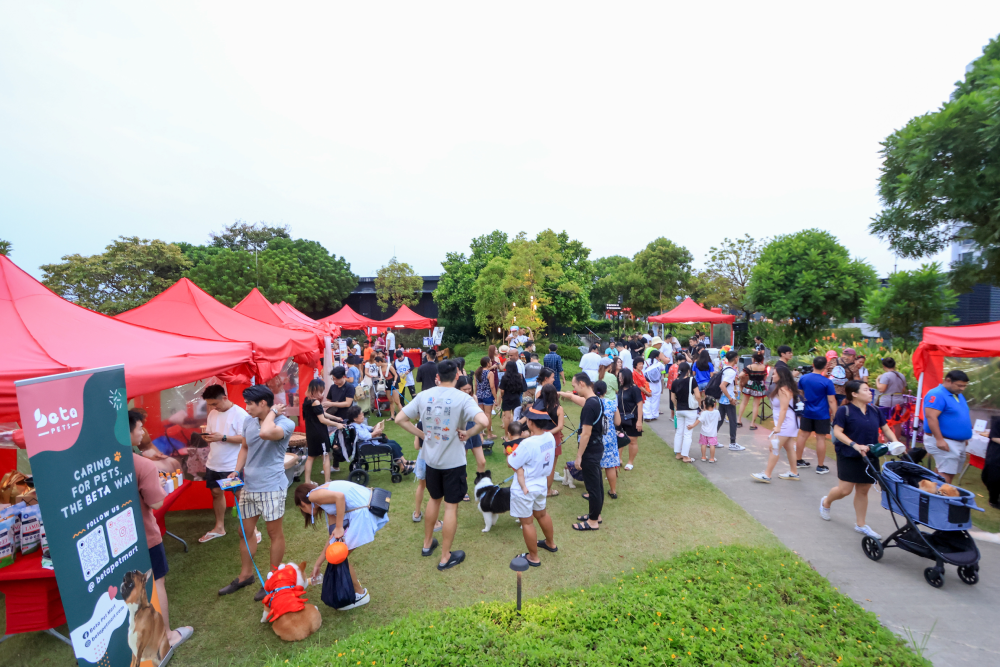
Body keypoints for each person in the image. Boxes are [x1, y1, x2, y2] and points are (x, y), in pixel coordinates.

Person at [395, 360, 489, 570]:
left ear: (438, 375)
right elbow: (484, 421)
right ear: (457, 374)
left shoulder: (424, 395)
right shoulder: (463, 398)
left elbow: (399, 418)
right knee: (451, 506)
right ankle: (445, 556)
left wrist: (421, 434)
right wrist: (469, 433)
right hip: (453, 462)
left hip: (432, 461)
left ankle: (428, 544)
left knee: (434, 500)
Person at [219, 386, 296, 602]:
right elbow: (244, 447)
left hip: (272, 486)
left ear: (263, 403)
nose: (246, 408)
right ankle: (246, 575)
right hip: (249, 486)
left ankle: (272, 578)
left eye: (249, 403)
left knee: (274, 533)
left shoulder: (285, 424)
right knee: (244, 531)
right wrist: (236, 469)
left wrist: (272, 413)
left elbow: (265, 433)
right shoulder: (248, 422)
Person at [129, 411, 194, 654]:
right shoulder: (142, 465)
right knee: (156, 582)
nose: (143, 432)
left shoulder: (104, 464)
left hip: (118, 542)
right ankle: (167, 636)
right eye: (139, 428)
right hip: (145, 535)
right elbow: (156, 503)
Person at [820, 380, 903, 539]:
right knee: (845, 490)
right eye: (865, 390)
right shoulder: (844, 411)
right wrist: (854, 445)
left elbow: (885, 428)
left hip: (870, 454)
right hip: (849, 454)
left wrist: (896, 443)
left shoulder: (874, 410)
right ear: (854, 394)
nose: (870, 392)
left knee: (863, 489)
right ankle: (826, 502)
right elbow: (837, 432)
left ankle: (861, 524)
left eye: (869, 390)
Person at [295, 480, 388, 609]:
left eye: (302, 508)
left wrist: (339, 527)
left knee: (339, 558)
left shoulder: (313, 496)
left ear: (303, 501)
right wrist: (318, 563)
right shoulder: (326, 503)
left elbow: (340, 497)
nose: (305, 512)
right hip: (367, 508)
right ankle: (355, 586)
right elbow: (332, 540)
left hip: (364, 511)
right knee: (336, 554)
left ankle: (360, 595)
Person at [508, 400, 558, 566]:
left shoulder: (527, 443)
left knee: (527, 521)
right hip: (541, 483)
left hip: (525, 487)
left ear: (530, 422)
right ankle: (550, 543)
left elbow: (512, 463)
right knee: (542, 514)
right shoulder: (549, 436)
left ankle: (533, 557)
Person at [198, 385, 250, 544]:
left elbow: (246, 439)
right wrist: (208, 437)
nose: (213, 407)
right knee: (216, 493)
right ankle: (219, 527)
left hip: (231, 466)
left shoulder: (240, 414)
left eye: (215, 403)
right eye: (210, 405)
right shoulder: (213, 413)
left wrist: (223, 437)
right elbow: (215, 434)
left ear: (225, 397)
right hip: (213, 463)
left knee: (239, 494)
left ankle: (252, 529)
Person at [560, 374, 605, 531]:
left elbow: (585, 433)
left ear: (581, 383)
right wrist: (564, 394)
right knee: (597, 484)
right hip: (597, 447)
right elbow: (577, 400)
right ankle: (595, 514)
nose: (573, 389)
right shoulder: (596, 400)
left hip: (590, 450)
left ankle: (593, 521)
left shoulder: (589, 405)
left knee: (593, 487)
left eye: (574, 386)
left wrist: (579, 456)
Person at [752, 366, 801, 483]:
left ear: (781, 376)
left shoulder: (783, 389)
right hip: (788, 422)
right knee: (789, 448)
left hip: (786, 423)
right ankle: (794, 472)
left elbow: (783, 409)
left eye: (774, 374)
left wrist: (778, 427)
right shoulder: (784, 388)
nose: (772, 376)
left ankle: (767, 474)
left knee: (774, 447)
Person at [922, 370, 972, 483]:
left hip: (956, 441)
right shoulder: (936, 394)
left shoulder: (957, 394)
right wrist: (939, 440)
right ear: (948, 380)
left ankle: (932, 494)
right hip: (944, 440)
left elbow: (961, 415)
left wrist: (963, 437)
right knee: (946, 474)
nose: (962, 388)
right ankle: (941, 499)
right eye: (959, 385)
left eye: (964, 386)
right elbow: (931, 417)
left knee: (945, 471)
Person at [795, 357, 837, 474]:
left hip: (807, 412)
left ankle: (798, 460)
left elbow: (800, 393)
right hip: (822, 414)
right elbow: (832, 401)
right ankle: (820, 466)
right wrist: (836, 414)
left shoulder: (803, 378)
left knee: (803, 436)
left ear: (813, 364)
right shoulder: (827, 382)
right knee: (820, 438)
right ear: (825, 366)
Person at [300, 379, 344, 486]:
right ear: (316, 389)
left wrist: (336, 418)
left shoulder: (307, 400)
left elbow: (322, 413)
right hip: (319, 433)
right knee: (325, 455)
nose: (322, 393)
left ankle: (307, 481)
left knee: (310, 457)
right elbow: (322, 419)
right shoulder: (316, 402)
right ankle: (327, 481)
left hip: (310, 432)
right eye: (321, 390)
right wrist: (336, 424)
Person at [455, 376, 487, 500]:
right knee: (462, 462)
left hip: (474, 428)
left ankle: (480, 487)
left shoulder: (473, 398)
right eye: (464, 389)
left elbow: (479, 415)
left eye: (469, 389)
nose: (468, 391)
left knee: (482, 461)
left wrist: (480, 432)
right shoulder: (456, 400)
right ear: (458, 388)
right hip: (461, 429)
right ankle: (463, 490)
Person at [411, 420, 444, 532]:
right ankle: (435, 522)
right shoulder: (438, 422)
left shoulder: (420, 424)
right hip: (434, 458)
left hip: (422, 456)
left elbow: (416, 446)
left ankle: (417, 513)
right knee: (434, 492)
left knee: (421, 486)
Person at [534, 382, 565, 497]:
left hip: (539, 435)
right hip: (553, 438)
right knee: (550, 467)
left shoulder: (538, 406)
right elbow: (560, 426)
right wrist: (549, 434)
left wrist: (543, 434)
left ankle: (538, 488)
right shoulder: (559, 408)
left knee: (539, 464)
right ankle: (548, 491)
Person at [323, 366, 356, 472]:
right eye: (333, 379)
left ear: (343, 377)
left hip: (346, 418)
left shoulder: (349, 387)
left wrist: (332, 403)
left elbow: (348, 403)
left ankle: (355, 462)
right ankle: (335, 466)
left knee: (348, 441)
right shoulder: (333, 387)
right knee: (334, 441)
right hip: (333, 418)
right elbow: (329, 399)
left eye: (336, 379)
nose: (335, 381)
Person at [670, 362, 700, 463]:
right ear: (688, 370)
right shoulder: (692, 380)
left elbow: (672, 397)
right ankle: (685, 456)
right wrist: (700, 405)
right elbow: (698, 396)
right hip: (690, 410)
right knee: (688, 433)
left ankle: (678, 453)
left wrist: (676, 406)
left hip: (679, 409)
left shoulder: (675, 382)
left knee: (679, 432)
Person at [716, 351, 745, 451]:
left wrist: (732, 390)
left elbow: (725, 385)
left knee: (719, 420)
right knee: (733, 421)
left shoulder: (724, 368)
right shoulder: (732, 371)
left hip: (722, 399)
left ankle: (711, 439)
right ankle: (733, 443)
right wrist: (730, 398)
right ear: (735, 358)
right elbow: (722, 385)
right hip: (728, 400)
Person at [617, 367, 643, 471]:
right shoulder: (620, 389)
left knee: (632, 440)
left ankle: (630, 462)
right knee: (620, 438)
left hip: (633, 418)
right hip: (620, 417)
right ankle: (618, 459)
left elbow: (640, 404)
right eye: (619, 377)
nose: (620, 379)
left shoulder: (634, 389)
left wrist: (639, 421)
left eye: (622, 378)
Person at [737, 352, 768, 431]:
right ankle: (752, 424)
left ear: (753, 359)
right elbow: (765, 378)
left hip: (750, 385)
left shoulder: (749, 366)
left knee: (744, 403)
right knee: (756, 405)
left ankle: (739, 420)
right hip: (759, 386)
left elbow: (740, 375)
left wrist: (745, 379)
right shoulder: (764, 367)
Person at [497, 360, 527, 435]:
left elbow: (502, 390)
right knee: (516, 416)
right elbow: (521, 388)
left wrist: (502, 396)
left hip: (507, 397)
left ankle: (506, 435)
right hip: (516, 397)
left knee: (507, 417)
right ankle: (515, 433)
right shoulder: (518, 377)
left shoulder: (504, 377)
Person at [474, 357, 499, 442]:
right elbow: (492, 386)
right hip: (487, 395)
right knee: (487, 415)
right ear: (488, 363)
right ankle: (489, 434)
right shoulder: (489, 373)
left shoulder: (477, 372)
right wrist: (495, 397)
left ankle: (481, 432)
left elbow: (476, 385)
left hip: (479, 395)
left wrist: (476, 394)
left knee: (480, 414)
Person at [978, 416, 1000, 509]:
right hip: (996, 455)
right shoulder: (998, 421)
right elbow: (994, 437)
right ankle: (993, 501)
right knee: (993, 478)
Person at [641, 350, 665, 422]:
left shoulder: (645, 363)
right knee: (656, 399)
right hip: (656, 384)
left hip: (647, 383)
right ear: (657, 356)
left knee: (647, 399)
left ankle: (647, 415)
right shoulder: (659, 363)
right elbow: (663, 368)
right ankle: (654, 414)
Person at [694, 396, 719, 463]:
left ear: (705, 405)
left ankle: (703, 457)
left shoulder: (704, 413)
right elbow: (719, 419)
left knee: (703, 444)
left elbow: (699, 420)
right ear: (714, 404)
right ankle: (712, 458)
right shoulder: (717, 412)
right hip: (712, 433)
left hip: (704, 432)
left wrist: (692, 425)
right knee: (712, 445)